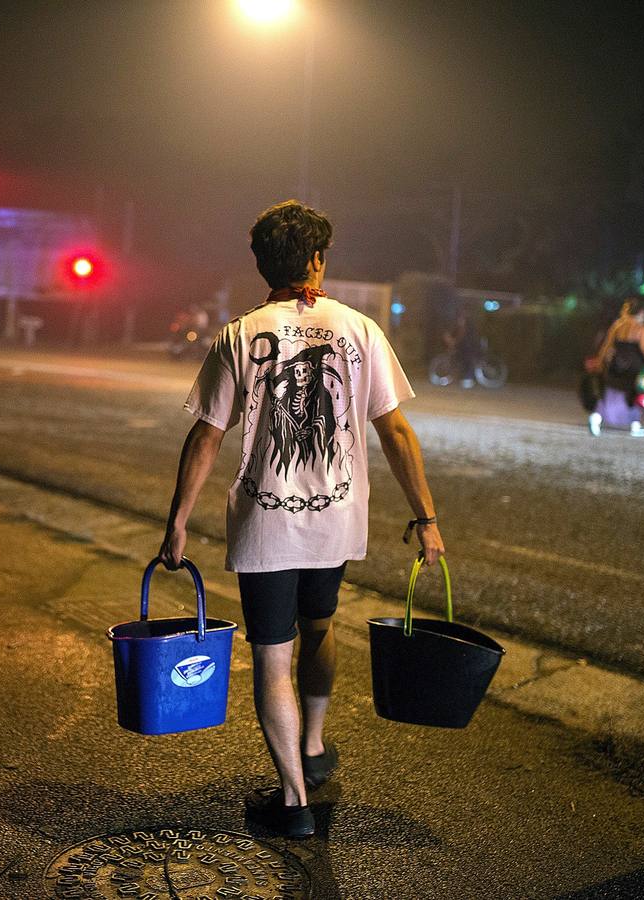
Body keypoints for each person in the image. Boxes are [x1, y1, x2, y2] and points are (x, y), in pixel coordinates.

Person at [158, 200, 447, 838]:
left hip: (266, 525)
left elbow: (206, 434)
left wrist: (178, 520)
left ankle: (293, 800)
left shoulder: (238, 335)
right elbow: (396, 430)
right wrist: (425, 518)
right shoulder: (360, 329)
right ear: (318, 259)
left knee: (272, 656)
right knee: (319, 625)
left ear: (262, 263)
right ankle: (313, 748)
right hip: (337, 520)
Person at [594, 298, 644, 437]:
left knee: (609, 393)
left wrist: (599, 362)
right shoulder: (641, 328)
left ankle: (596, 419)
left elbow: (606, 345)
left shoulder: (617, 325)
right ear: (642, 312)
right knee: (635, 395)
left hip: (616, 365)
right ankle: (635, 426)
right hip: (634, 367)